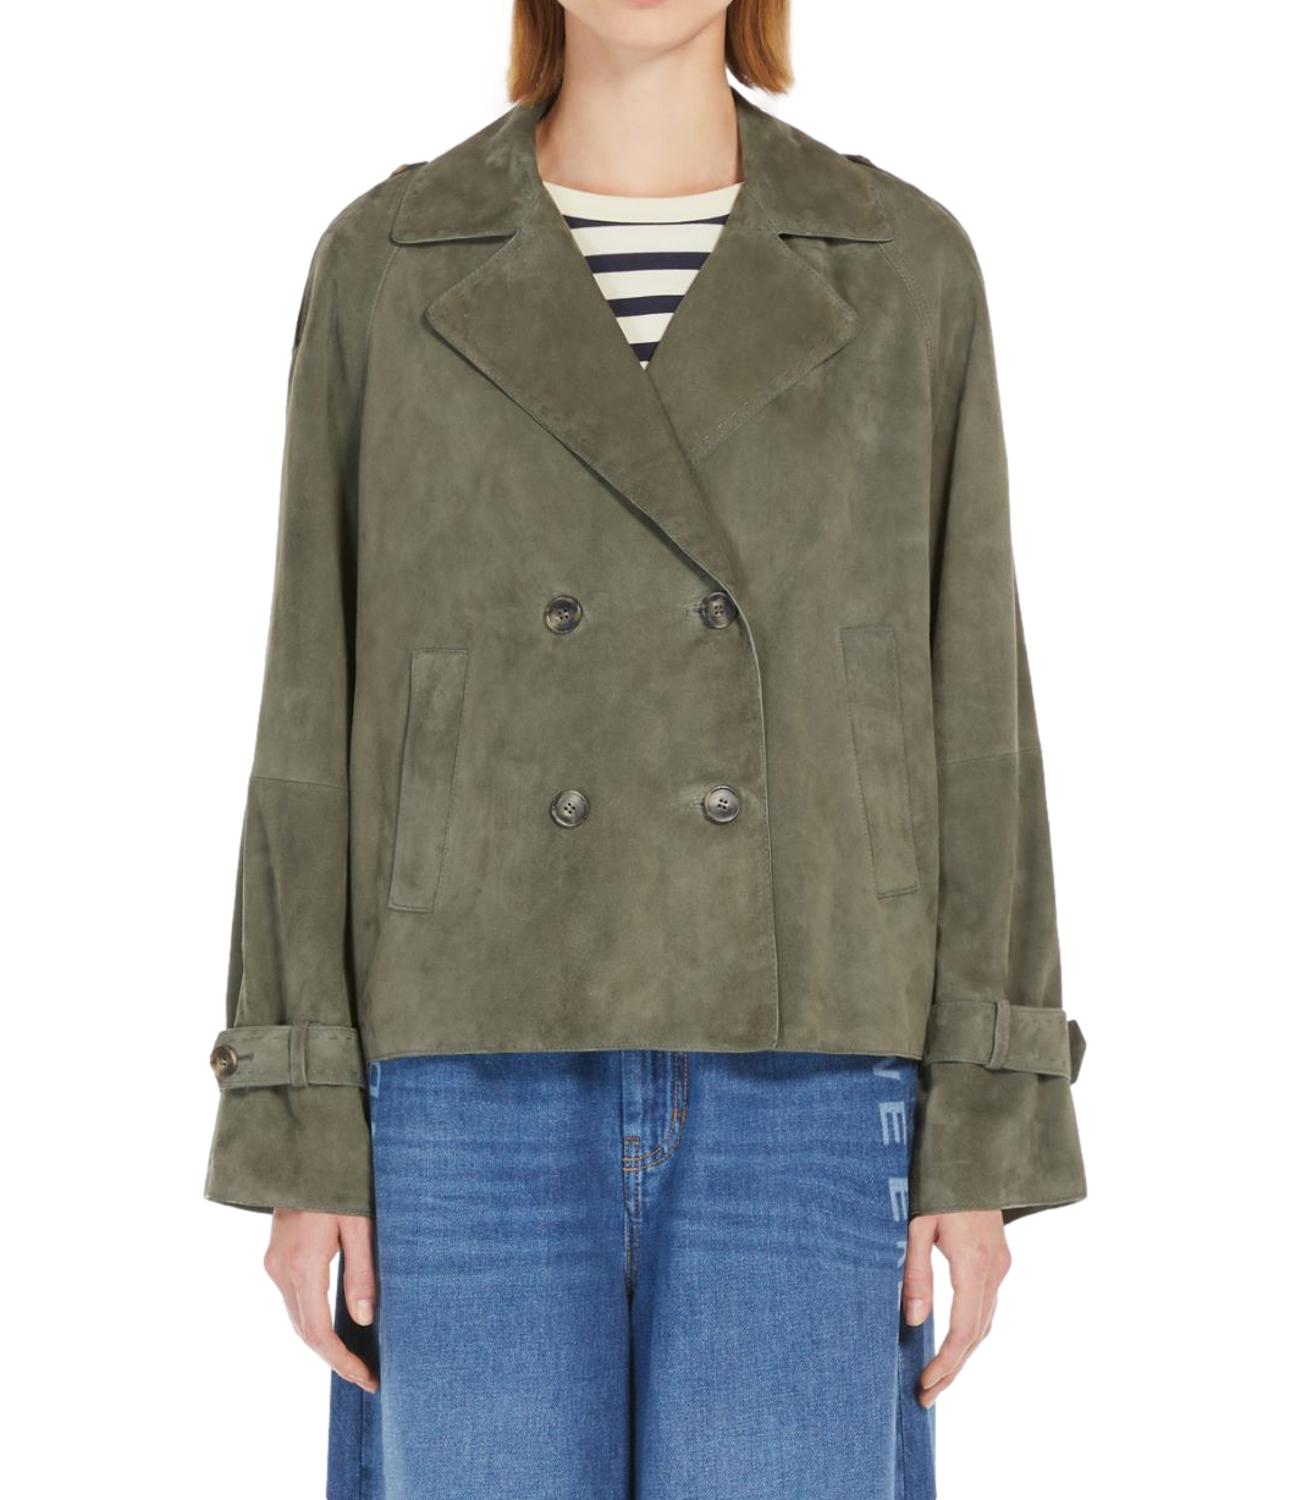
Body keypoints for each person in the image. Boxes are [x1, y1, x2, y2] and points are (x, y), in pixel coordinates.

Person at [203, 2, 1087, 1496]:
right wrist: (296, 1122)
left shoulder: (900, 265)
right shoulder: (390, 261)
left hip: (812, 1075)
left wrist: (989, 1121)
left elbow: (976, 717)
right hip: (462, 1072)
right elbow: (309, 706)